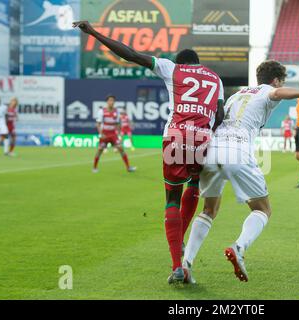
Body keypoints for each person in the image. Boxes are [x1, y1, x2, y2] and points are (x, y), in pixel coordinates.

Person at [73, 20, 225, 284]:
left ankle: (177, 265)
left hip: (176, 136)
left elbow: (130, 54)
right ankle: (182, 243)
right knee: (194, 185)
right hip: (203, 138)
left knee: (171, 199)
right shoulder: (215, 78)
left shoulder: (171, 68)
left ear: (180, 62)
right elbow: (220, 115)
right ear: (198, 62)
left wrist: (94, 33)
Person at [182, 60, 299, 283]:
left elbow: (217, 117)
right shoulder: (268, 91)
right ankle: (239, 248)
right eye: (280, 81)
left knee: (209, 210)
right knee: (263, 209)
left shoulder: (237, 95)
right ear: (275, 80)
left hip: (212, 150)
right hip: (237, 150)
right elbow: (278, 93)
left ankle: (186, 263)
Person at [93, 94, 136, 173]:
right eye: (110, 100)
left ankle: (128, 167)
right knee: (100, 150)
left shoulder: (117, 111)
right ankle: (95, 167)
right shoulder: (102, 111)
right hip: (105, 134)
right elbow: (98, 124)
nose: (111, 102)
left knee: (121, 149)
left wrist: (118, 133)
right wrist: (100, 133)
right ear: (107, 102)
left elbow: (118, 124)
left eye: (112, 100)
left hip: (113, 134)